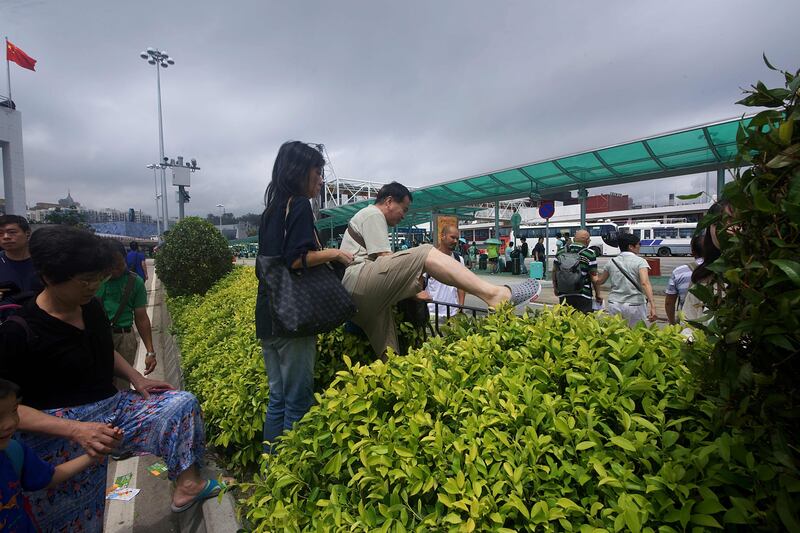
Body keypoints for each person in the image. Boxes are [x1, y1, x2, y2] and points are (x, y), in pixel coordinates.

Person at [0, 226, 218, 531]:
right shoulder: (18, 331)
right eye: (85, 280)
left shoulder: (91, 307)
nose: (93, 286)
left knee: (180, 404)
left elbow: (101, 351)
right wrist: (75, 430)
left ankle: (188, 486)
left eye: (96, 278)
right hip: (58, 433)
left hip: (112, 408)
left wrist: (136, 378)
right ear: (49, 277)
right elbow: (9, 410)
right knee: (76, 517)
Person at [340, 181, 541, 357]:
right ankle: (494, 294)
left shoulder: (365, 217)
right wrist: (414, 287)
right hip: (361, 282)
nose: (404, 215)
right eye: (404, 209)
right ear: (389, 201)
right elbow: (385, 260)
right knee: (425, 251)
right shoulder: (372, 214)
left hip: (360, 300)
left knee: (389, 356)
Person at [255, 141, 354, 454]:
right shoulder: (297, 205)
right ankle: (287, 475)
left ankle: (271, 469)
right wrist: (336, 253)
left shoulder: (271, 210)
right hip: (292, 316)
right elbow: (296, 260)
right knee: (297, 401)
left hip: (269, 314)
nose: (321, 179)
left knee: (278, 399)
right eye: (317, 171)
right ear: (300, 172)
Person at [0, 378, 106, 532]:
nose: (10, 422)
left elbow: (49, 477)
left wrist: (95, 454)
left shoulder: (13, 452)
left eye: (14, 409)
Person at [97, 240, 157, 391]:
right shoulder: (94, 282)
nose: (118, 269)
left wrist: (150, 351)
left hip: (124, 338)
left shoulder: (134, 282)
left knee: (121, 387)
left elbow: (141, 318)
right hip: (97, 337)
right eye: (113, 267)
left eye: (120, 263)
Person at [596, 232, 657, 327]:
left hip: (614, 303)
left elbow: (600, 281)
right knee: (636, 335)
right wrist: (653, 305)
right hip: (635, 304)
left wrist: (592, 275)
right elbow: (645, 283)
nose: (639, 246)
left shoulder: (611, 262)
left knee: (617, 334)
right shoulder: (640, 261)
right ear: (630, 247)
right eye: (638, 244)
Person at [552, 229, 602, 314]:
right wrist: (598, 294)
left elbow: (554, 272)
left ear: (574, 239)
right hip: (583, 294)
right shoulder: (589, 253)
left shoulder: (560, 252)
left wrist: (556, 288)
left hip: (564, 293)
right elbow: (594, 276)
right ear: (587, 241)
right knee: (584, 323)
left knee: (566, 322)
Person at [0, 215, 43, 304]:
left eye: (12, 232)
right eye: (0, 233)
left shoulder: (45, 261)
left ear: (27, 233)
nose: (6, 237)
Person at [426, 225, 466, 317]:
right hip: (432, 312)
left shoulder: (459, 259)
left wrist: (461, 307)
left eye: (457, 238)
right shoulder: (429, 258)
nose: (455, 241)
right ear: (442, 236)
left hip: (452, 313)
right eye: (452, 237)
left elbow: (461, 286)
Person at [664, 235, 703, 325]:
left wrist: (672, 322)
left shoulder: (679, 272)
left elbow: (669, 303)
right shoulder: (722, 269)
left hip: (687, 321)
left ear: (692, 252)